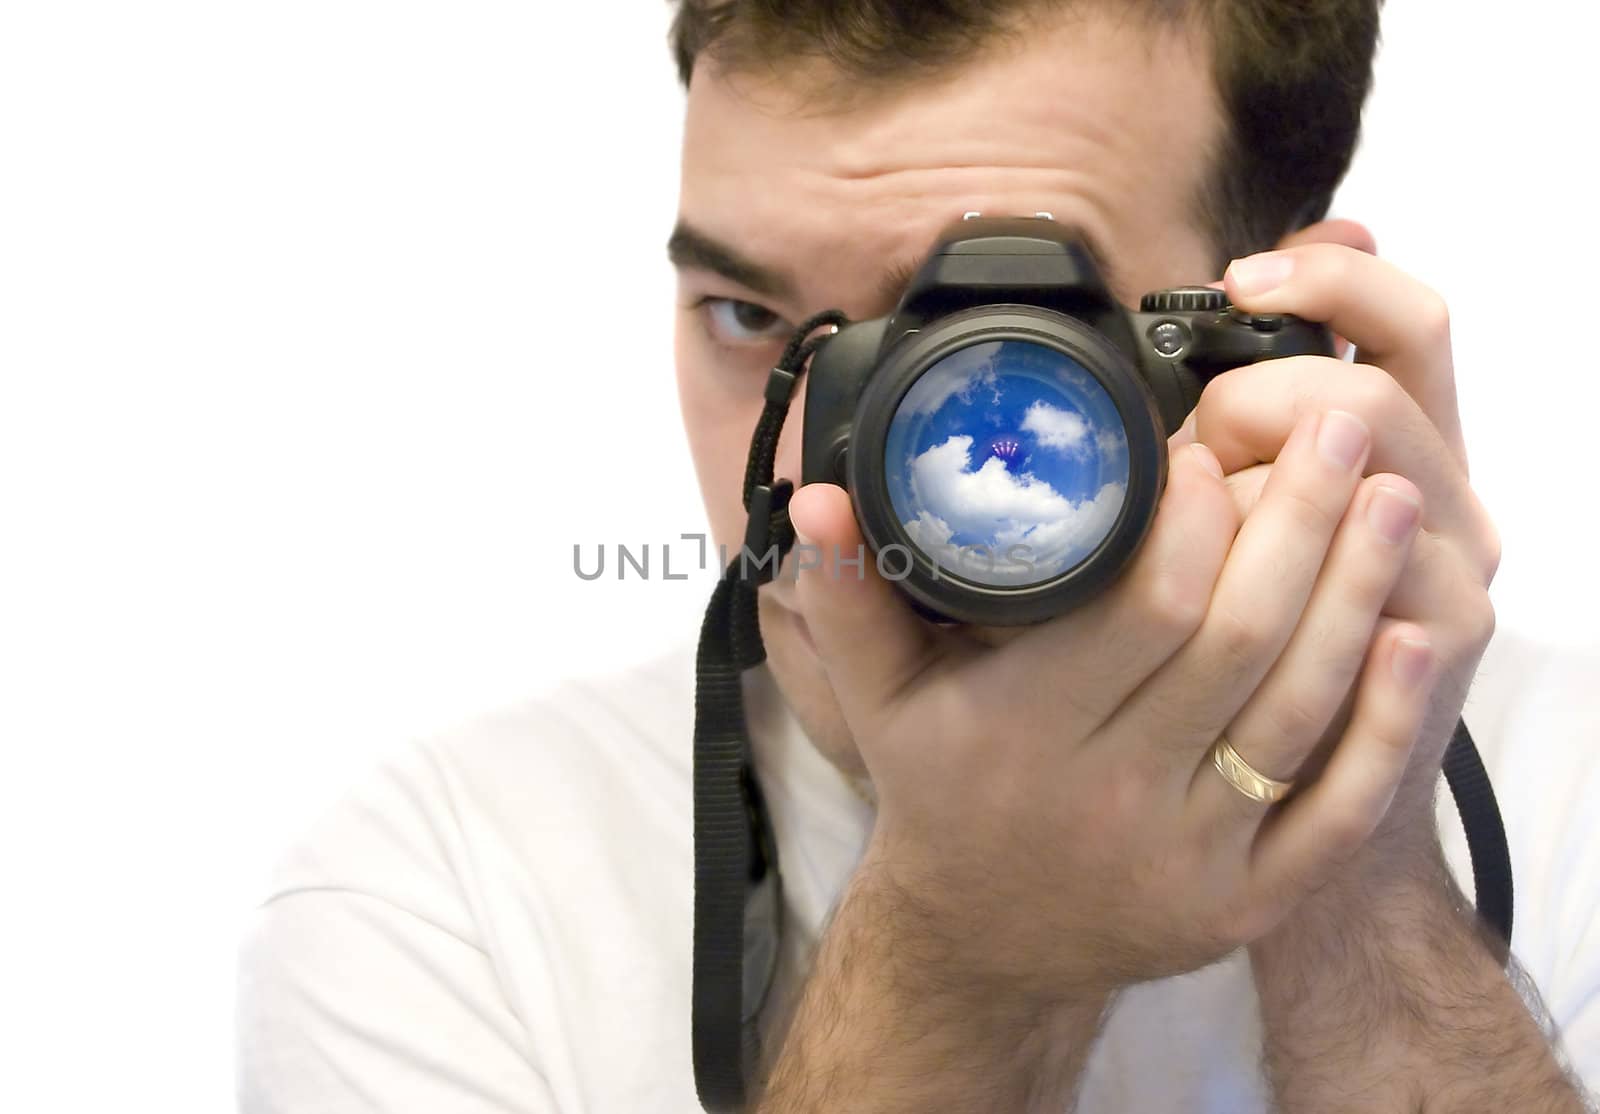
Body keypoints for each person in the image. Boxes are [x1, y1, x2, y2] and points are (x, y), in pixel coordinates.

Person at [236, 2, 1600, 1110]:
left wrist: (1355, 864)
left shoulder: (1576, 798)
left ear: (1286, 333)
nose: (808, 477)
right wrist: (965, 954)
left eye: (980, 339)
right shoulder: (443, 889)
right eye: (747, 312)